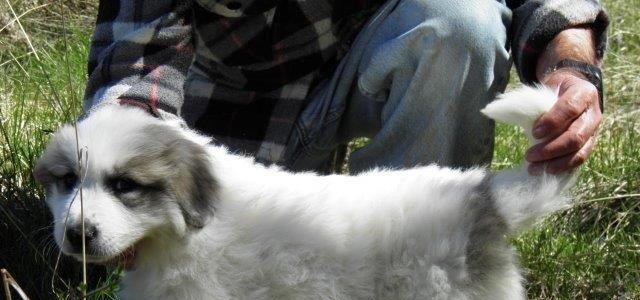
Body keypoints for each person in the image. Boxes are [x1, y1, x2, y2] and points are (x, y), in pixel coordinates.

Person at [84, 0, 608, 175]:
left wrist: (574, 67)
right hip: (228, 128)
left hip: (356, 68)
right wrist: (125, 170)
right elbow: (137, 65)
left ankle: (413, 273)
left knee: (462, 21)